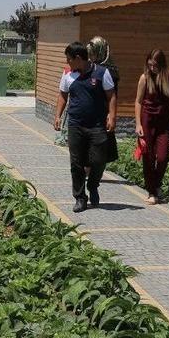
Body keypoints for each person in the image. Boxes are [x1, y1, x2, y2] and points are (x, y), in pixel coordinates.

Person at [53, 41, 117, 213]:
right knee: (76, 163)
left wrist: (112, 116)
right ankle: (80, 198)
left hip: (97, 125)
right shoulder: (68, 75)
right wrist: (58, 116)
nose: (68, 63)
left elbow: (111, 96)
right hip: (75, 125)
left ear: (79, 58)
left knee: (99, 160)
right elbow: (62, 96)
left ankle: (93, 185)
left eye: (69, 59)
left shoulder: (102, 73)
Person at [134, 49, 169, 205]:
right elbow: (138, 101)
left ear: (162, 64)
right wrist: (138, 124)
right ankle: (152, 191)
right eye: (150, 65)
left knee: (162, 156)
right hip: (147, 120)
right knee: (148, 156)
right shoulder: (144, 78)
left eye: (155, 66)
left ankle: (157, 183)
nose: (152, 68)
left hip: (164, 121)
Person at [87, 36, 119, 163]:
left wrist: (111, 115)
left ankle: (94, 170)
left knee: (100, 144)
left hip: (102, 112)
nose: (90, 58)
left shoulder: (110, 72)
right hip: (89, 112)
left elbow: (113, 96)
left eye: (93, 55)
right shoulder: (89, 68)